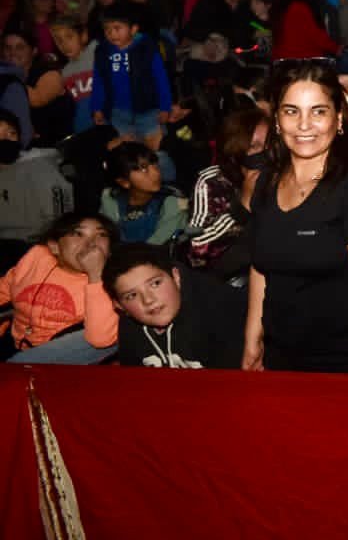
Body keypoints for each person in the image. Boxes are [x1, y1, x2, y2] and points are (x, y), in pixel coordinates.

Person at [243, 59, 348, 374]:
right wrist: (252, 337)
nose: (304, 125)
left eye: (318, 111)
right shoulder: (265, 183)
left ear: (338, 118)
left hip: (344, 361)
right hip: (280, 357)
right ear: (276, 120)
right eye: (291, 111)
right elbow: (261, 267)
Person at [0, 211, 119, 364]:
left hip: (60, 357)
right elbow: (4, 289)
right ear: (55, 247)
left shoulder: (112, 280)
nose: (91, 243)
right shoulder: (37, 258)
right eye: (78, 233)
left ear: (108, 251)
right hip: (13, 341)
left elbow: (101, 340)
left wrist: (96, 274)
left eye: (101, 235)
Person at [105, 243, 246, 368]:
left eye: (155, 283)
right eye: (132, 295)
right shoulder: (129, 324)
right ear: (120, 306)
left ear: (176, 277)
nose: (148, 300)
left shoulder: (221, 308)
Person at [181, 105, 267, 277]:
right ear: (235, 152)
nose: (265, 153)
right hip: (235, 275)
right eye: (254, 146)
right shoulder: (213, 181)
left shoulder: (287, 171)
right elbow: (197, 251)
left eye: (270, 144)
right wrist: (242, 208)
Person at [90, 3, 172, 153]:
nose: (112, 34)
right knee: (131, 153)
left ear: (133, 29)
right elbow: (99, 81)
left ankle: (165, 176)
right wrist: (97, 107)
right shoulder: (102, 52)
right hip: (118, 113)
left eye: (117, 28)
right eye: (107, 29)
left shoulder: (146, 48)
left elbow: (161, 79)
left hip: (148, 111)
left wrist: (165, 107)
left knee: (157, 152)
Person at [0, 109, 72, 268]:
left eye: (11, 133)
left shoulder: (40, 167)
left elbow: (60, 218)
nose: (5, 139)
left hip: (34, 246)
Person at [99, 142, 185, 246]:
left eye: (154, 164)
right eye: (143, 169)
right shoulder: (111, 199)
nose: (156, 172)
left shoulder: (172, 202)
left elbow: (155, 245)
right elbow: (106, 236)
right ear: (124, 182)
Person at [2, 30, 72, 146]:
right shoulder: (6, 76)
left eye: (19, 47)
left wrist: (10, 76)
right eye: (7, 48)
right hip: (19, 147)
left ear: (34, 51)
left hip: (54, 147)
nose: (12, 52)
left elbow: (37, 99)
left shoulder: (50, 74)